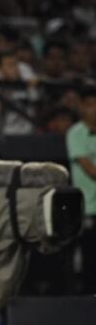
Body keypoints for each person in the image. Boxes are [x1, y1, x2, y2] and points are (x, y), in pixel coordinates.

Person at [66, 88, 96, 294]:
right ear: (82, 107)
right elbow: (90, 169)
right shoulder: (75, 134)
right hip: (89, 208)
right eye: (90, 104)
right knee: (90, 261)